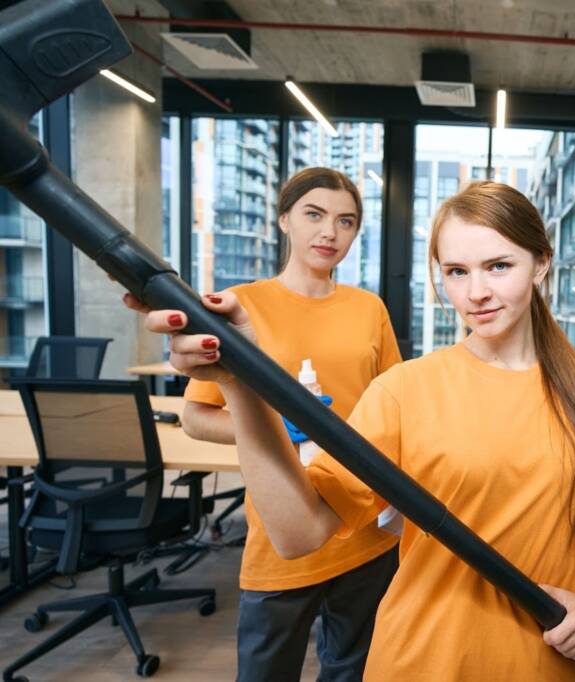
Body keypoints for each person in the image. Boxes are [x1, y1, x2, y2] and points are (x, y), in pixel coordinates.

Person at [127, 180, 575, 681]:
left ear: (541, 264)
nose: (476, 292)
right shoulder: (404, 390)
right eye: (456, 272)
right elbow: (298, 535)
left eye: (498, 266)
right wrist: (241, 388)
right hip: (417, 659)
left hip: (542, 664)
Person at [177, 167, 402, 682]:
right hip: (281, 526)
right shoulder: (242, 306)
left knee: (353, 670)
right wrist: (270, 426)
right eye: (314, 215)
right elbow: (195, 416)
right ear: (284, 220)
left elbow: (395, 407)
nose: (330, 232)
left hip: (363, 525)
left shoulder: (369, 309)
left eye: (346, 222)